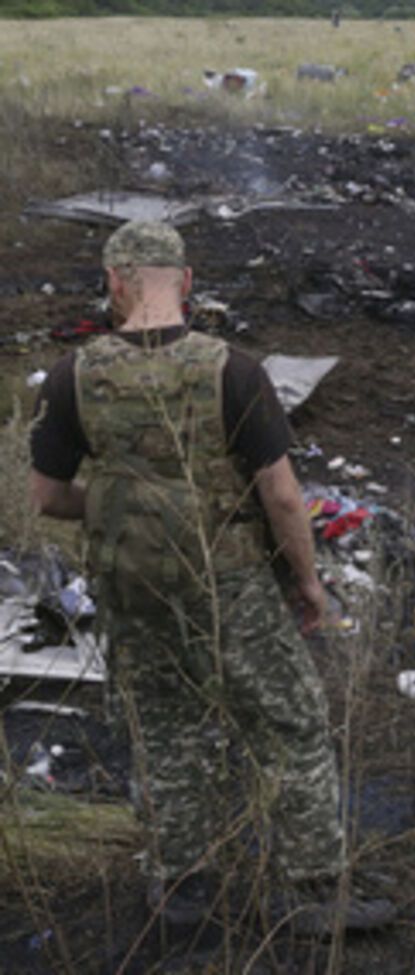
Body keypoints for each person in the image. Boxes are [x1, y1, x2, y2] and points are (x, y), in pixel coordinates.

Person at [28, 221, 394, 934]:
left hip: (133, 587)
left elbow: (47, 497)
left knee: (166, 729)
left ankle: (180, 889)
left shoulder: (76, 375)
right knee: (290, 724)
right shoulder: (233, 369)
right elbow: (282, 496)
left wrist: (120, 507)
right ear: (186, 282)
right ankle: (315, 889)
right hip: (229, 586)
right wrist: (307, 580)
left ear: (114, 282)